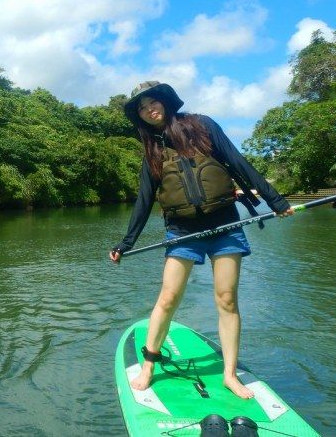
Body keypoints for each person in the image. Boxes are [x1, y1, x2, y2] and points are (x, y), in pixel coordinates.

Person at [109, 81, 293, 399]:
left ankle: (230, 375)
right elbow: (144, 198)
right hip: (182, 231)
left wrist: (274, 199)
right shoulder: (152, 149)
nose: (148, 109)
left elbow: (238, 162)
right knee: (168, 298)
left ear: (165, 102)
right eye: (141, 107)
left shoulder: (202, 125)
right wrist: (126, 243)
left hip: (224, 226)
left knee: (226, 299)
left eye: (152, 102)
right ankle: (149, 366)